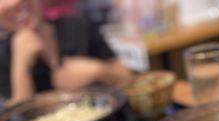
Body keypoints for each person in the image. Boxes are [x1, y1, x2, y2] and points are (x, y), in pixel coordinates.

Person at [0, 0, 131, 104]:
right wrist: (21, 68)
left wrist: (99, 71)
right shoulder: (3, 57)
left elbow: (131, 81)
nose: (14, 2)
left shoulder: (78, 26)